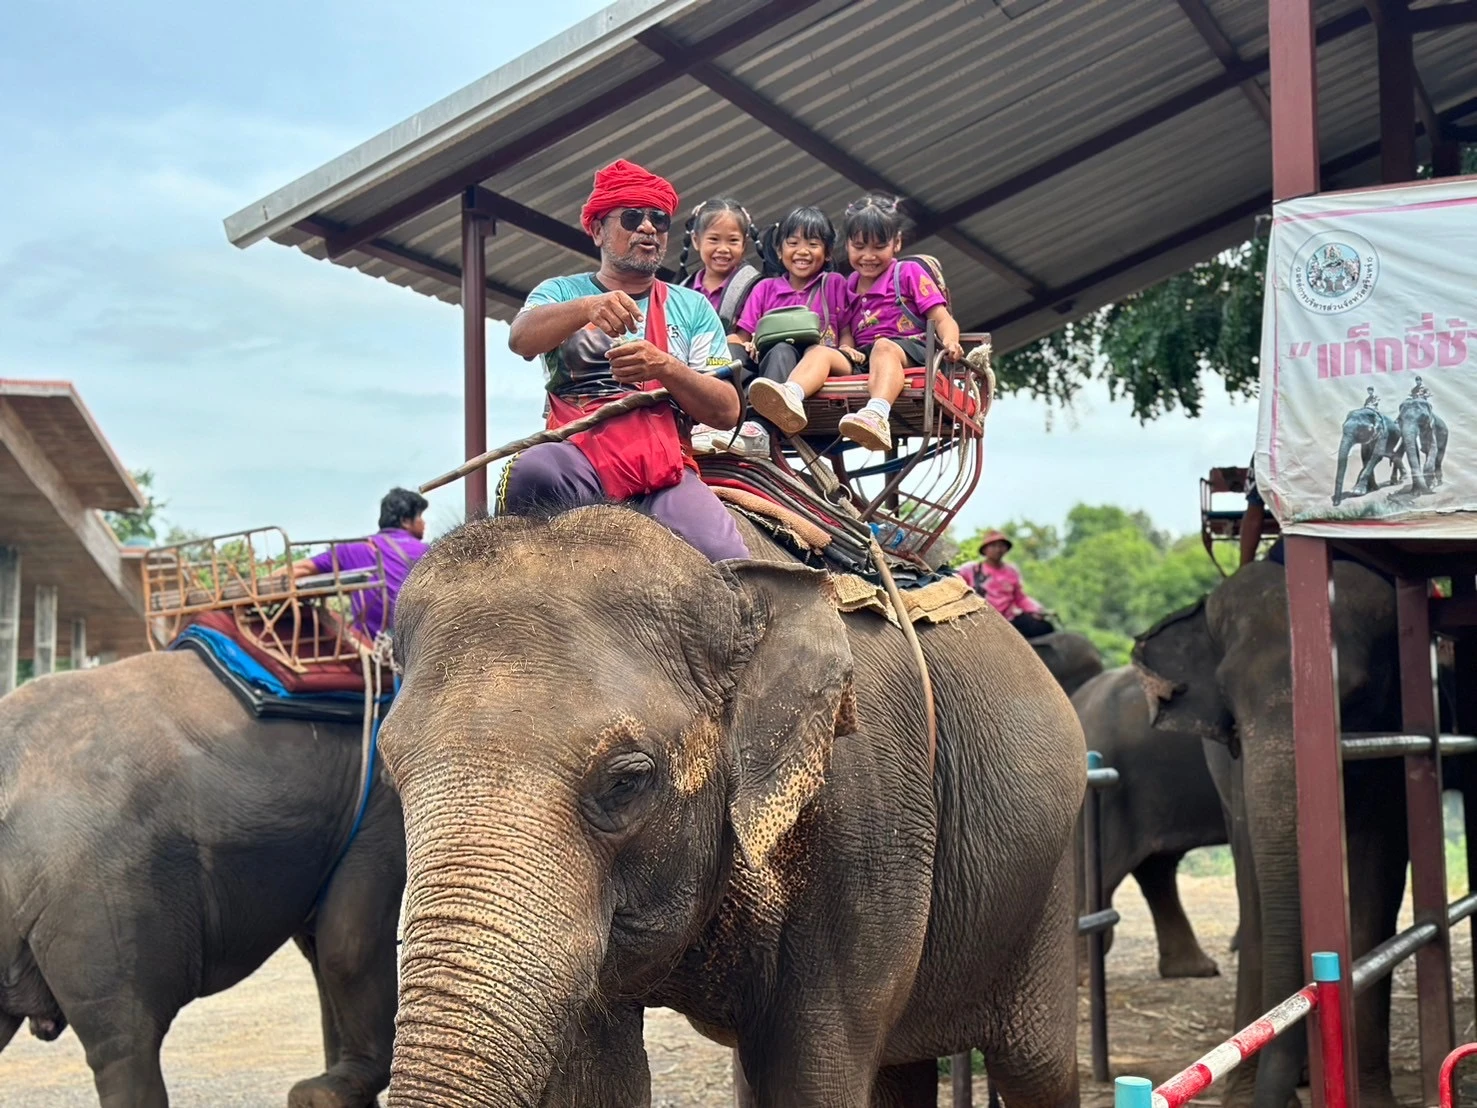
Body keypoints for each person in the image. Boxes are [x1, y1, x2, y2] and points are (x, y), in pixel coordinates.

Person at [501, 158, 750, 563]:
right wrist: (586, 308)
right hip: (576, 456)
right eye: (632, 218)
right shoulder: (560, 292)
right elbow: (520, 338)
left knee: (728, 561)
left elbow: (726, 410)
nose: (648, 228)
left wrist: (665, 367)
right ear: (598, 230)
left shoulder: (693, 306)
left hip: (664, 468)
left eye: (660, 220)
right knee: (533, 469)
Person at [832, 193, 965, 451]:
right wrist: (844, 349)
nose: (868, 256)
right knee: (820, 354)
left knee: (883, 347)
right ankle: (790, 395)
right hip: (864, 358)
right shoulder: (847, 284)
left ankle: (877, 414)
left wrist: (951, 342)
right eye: (859, 247)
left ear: (897, 243)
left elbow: (941, 318)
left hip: (911, 350)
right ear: (847, 245)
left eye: (878, 247)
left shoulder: (907, 272)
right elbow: (847, 330)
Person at [738, 206, 856, 437]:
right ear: (779, 250)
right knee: (779, 350)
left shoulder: (833, 283)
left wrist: (848, 350)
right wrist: (749, 343)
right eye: (793, 243)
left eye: (813, 244)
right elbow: (742, 337)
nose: (802, 251)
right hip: (772, 364)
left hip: (818, 368)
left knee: (793, 350)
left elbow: (846, 330)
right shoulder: (764, 288)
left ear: (828, 252)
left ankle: (760, 427)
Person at [677, 198, 769, 457]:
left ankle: (714, 422)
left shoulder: (754, 285)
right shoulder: (684, 289)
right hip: (690, 368)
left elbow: (742, 337)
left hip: (735, 367)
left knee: (729, 349)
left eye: (733, 241)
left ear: (745, 244)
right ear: (696, 241)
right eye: (714, 240)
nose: (723, 249)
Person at [291, 487, 430, 640]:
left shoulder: (354, 548)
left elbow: (300, 569)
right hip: (420, 644)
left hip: (371, 644)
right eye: (420, 517)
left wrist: (263, 584)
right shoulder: (429, 552)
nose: (424, 523)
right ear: (405, 521)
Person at [959, 531, 1053, 638]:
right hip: (984, 618)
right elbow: (955, 583)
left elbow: (1020, 598)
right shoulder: (971, 570)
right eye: (993, 546)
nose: (998, 549)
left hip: (1009, 618)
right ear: (985, 549)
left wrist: (1036, 610)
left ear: (1006, 549)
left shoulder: (1011, 571)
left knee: (1045, 627)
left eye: (1001, 546)